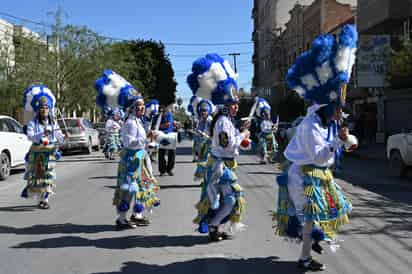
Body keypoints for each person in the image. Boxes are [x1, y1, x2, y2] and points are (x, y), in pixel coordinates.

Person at [273, 25, 358, 271]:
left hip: (318, 175)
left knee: (330, 211)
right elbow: (320, 156)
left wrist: (346, 141)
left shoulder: (328, 122)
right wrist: (338, 142)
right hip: (302, 176)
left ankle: (310, 239)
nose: (341, 113)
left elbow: (341, 145)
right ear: (328, 107)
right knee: (310, 220)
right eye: (338, 108)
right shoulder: (310, 125)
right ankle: (305, 257)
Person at [188, 53, 249, 242]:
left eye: (236, 104)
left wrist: (243, 137)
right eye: (233, 104)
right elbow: (227, 144)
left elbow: (232, 144)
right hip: (220, 166)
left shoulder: (227, 121)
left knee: (227, 200)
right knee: (230, 199)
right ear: (225, 104)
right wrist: (243, 136)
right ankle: (213, 225)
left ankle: (215, 226)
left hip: (226, 165)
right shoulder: (222, 121)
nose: (236, 107)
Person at [21, 85, 65, 209]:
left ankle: (44, 199)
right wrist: (41, 134)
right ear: (38, 109)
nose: (44, 110)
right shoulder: (32, 123)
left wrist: (63, 137)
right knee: (39, 175)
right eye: (42, 108)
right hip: (37, 152)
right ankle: (40, 198)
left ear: (49, 108)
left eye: (46, 107)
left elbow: (58, 135)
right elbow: (30, 136)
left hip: (50, 152)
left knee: (48, 175)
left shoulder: (53, 122)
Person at [157, 105, 176, 176]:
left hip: (169, 135)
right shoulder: (159, 115)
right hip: (161, 135)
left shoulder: (169, 114)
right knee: (161, 154)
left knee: (172, 153)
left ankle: (169, 169)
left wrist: (159, 126)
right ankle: (162, 170)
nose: (163, 108)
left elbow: (168, 124)